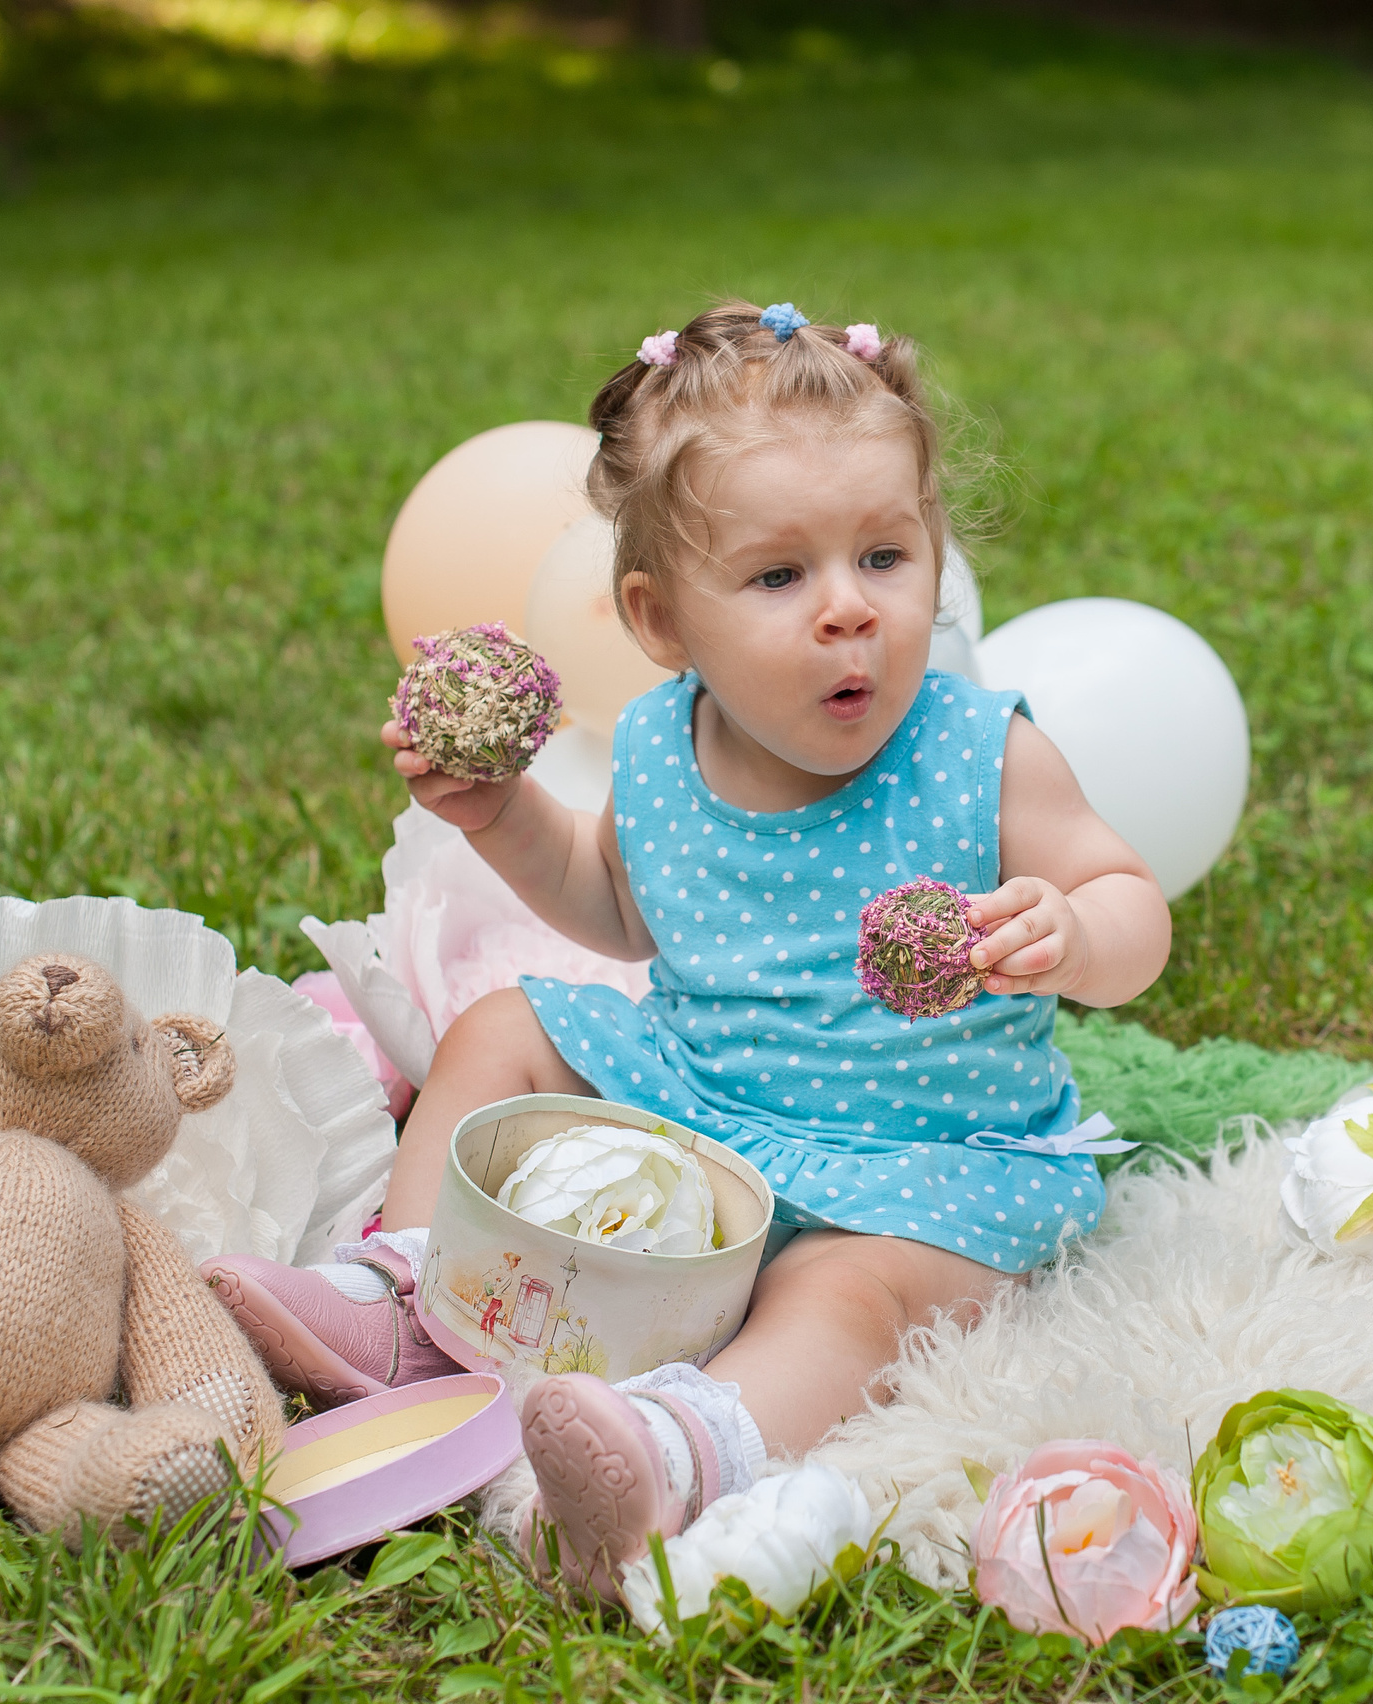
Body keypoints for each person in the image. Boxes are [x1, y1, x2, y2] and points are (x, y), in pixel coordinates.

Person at [203, 300, 1170, 1600]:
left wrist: (1075, 932)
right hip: (701, 1098)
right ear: (662, 621)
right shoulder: (663, 746)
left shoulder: (982, 754)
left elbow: (1132, 906)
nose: (849, 610)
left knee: (841, 1300)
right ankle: (413, 1297)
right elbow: (616, 905)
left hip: (920, 1164)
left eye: (885, 556)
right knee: (501, 1028)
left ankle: (673, 1452)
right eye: (780, 578)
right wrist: (502, 816)